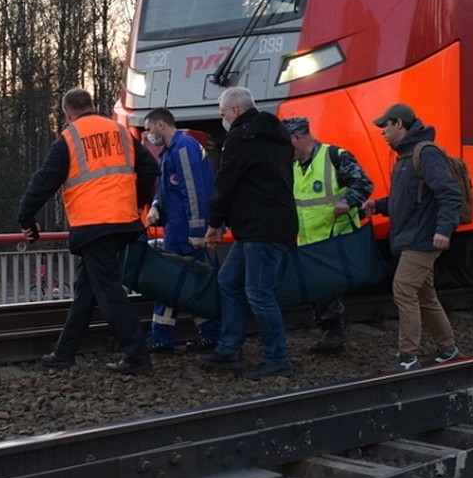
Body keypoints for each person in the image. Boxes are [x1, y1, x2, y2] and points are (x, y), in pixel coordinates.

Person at [17, 88, 159, 375]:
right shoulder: (120, 132)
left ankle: (136, 354)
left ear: (68, 113)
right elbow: (150, 168)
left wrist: (26, 219)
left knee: (107, 290)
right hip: (124, 221)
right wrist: (138, 202)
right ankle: (65, 352)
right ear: (93, 106)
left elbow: (43, 182)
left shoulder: (69, 138)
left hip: (93, 225)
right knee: (87, 288)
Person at [199, 86, 299, 380]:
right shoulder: (276, 136)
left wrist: (214, 223)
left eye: (222, 114)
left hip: (260, 227)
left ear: (235, 111)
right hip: (269, 225)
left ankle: (277, 357)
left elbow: (226, 182)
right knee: (229, 280)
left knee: (259, 293)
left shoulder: (241, 138)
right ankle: (229, 347)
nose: (222, 120)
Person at [361, 102, 462, 371]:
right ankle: (448, 349)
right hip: (413, 237)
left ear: (400, 125)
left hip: (423, 238)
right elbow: (405, 199)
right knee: (425, 296)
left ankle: (408, 357)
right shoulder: (406, 157)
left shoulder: (425, 153)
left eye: (386, 125)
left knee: (403, 290)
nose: (382, 131)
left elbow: (449, 193)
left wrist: (443, 230)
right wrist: (379, 206)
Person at [282, 115, 373, 353]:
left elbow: (363, 184)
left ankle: (334, 335)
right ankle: (332, 334)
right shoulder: (293, 166)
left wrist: (347, 201)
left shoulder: (335, 156)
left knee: (327, 291)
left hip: (334, 237)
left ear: (297, 138)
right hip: (308, 240)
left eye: (285, 142)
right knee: (318, 291)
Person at [142, 107, 219, 352]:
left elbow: (194, 192)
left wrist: (196, 232)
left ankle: (165, 335)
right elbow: (169, 190)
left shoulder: (183, 148)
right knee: (186, 282)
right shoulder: (171, 151)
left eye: (148, 129)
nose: (147, 135)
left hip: (185, 231)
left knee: (177, 282)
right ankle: (206, 333)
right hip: (177, 229)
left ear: (161, 125)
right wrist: (156, 206)